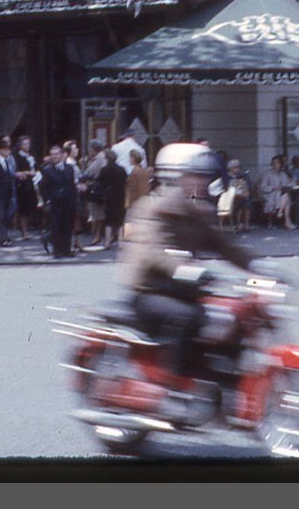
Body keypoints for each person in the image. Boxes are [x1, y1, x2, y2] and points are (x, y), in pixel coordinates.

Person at [119, 143, 263, 383]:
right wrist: (184, 269)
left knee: (235, 315)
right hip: (149, 290)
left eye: (204, 176)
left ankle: (222, 380)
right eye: (194, 176)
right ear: (176, 176)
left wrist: (258, 267)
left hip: (184, 288)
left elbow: (223, 246)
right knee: (189, 317)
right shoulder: (150, 208)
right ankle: (176, 386)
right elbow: (152, 251)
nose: (201, 182)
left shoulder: (197, 212)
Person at [38, 143, 78, 258]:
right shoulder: (47, 170)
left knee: (67, 226)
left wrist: (75, 200)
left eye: (56, 154)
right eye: (52, 154)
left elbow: (72, 185)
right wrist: (47, 201)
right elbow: (43, 187)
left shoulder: (69, 168)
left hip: (68, 202)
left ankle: (67, 249)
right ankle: (57, 250)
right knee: (57, 226)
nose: (54, 156)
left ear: (61, 155)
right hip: (55, 202)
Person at [96, 146, 128, 247]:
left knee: (109, 220)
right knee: (119, 220)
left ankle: (107, 242)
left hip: (109, 196)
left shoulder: (104, 170)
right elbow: (125, 181)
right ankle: (120, 242)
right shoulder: (121, 170)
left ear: (107, 159)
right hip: (120, 196)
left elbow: (100, 182)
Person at [13, 135, 40, 239]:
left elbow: (36, 168)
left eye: (28, 143)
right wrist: (28, 173)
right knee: (23, 210)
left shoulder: (31, 156)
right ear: (20, 145)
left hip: (32, 184)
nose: (27, 146)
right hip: (23, 185)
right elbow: (16, 171)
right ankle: (24, 232)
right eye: (25, 144)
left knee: (32, 206)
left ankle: (28, 227)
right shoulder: (17, 157)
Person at [259, 155, 296, 229]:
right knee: (286, 197)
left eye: (277, 163)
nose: (275, 164)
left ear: (280, 164)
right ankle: (286, 221)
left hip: (281, 195)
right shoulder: (267, 174)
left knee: (285, 196)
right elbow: (263, 187)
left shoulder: (283, 174)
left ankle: (281, 213)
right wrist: (273, 187)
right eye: (274, 163)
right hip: (271, 194)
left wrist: (291, 183)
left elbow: (289, 183)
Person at [123, 147, 153, 234]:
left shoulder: (134, 171)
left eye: (130, 157)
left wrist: (128, 202)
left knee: (129, 222)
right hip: (143, 199)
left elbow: (132, 188)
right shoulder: (144, 171)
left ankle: (128, 238)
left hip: (135, 200)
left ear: (133, 158)